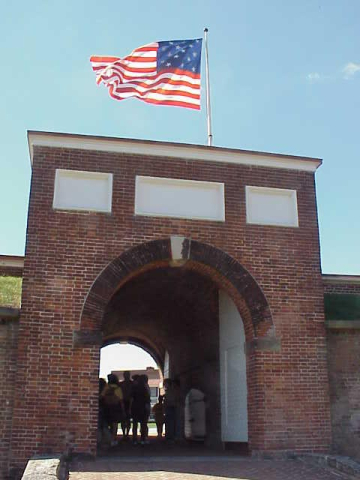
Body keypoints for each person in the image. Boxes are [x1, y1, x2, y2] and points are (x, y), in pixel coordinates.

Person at [101, 373, 125, 446]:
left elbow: (101, 397)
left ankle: (108, 438)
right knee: (115, 425)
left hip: (107, 407)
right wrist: (123, 410)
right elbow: (121, 400)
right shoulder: (118, 388)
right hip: (115, 407)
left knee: (108, 424)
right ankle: (113, 439)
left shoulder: (106, 388)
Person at [131, 374, 150, 445]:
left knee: (135, 424)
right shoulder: (145, 388)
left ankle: (135, 439)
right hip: (143, 408)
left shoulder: (134, 388)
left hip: (135, 407)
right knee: (143, 424)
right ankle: (142, 439)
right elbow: (147, 399)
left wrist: (130, 408)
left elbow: (131, 399)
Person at [119, 371, 133, 439]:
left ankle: (126, 433)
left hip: (128, 402)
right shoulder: (121, 384)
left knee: (127, 419)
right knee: (124, 419)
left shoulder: (122, 384)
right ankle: (125, 433)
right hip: (123, 402)